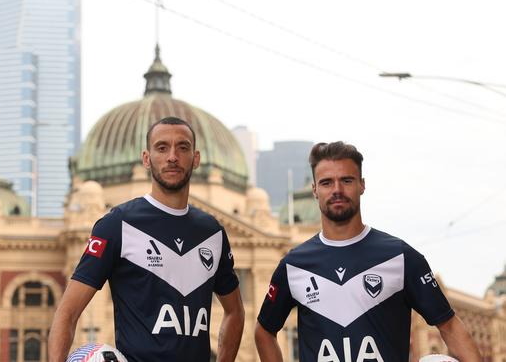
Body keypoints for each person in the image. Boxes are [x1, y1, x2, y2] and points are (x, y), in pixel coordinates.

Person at [255, 141, 481, 362]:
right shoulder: (293, 265)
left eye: (346, 180)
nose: (337, 190)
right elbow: (264, 331)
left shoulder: (401, 257)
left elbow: (449, 326)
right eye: (326, 182)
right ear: (315, 190)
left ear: (362, 184)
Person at [49, 117, 245, 362]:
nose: (172, 156)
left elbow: (235, 311)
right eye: (162, 148)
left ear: (195, 159)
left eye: (182, 148)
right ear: (146, 158)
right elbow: (67, 312)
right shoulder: (116, 224)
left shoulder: (213, 232)